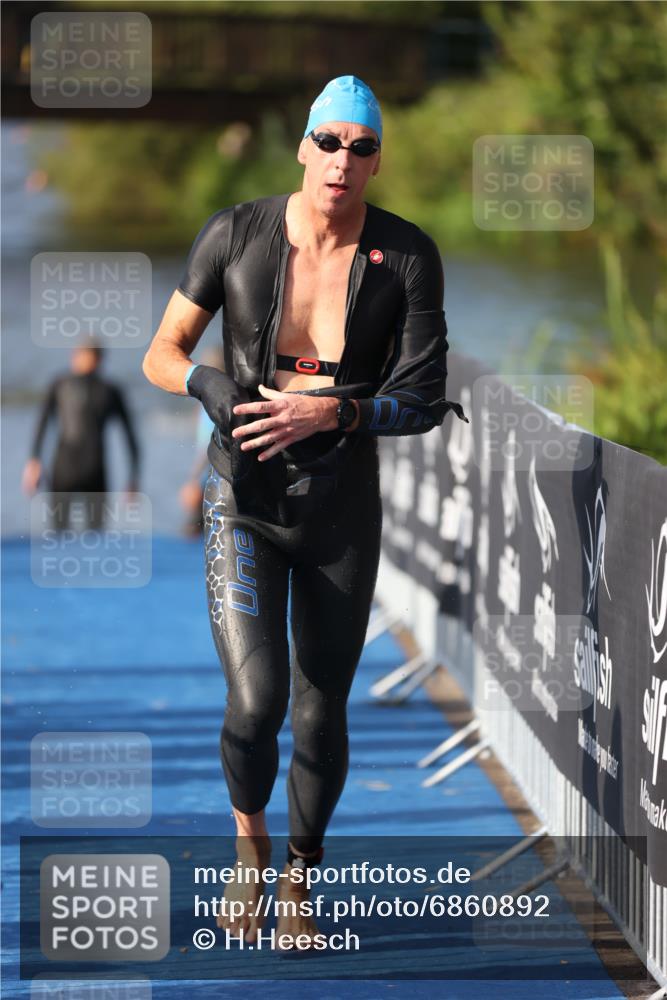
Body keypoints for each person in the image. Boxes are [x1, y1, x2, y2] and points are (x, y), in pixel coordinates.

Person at [142, 75, 467, 950]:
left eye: (361, 148)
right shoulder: (237, 232)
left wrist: (335, 410)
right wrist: (207, 382)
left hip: (337, 508)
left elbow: (425, 398)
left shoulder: (405, 256)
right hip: (241, 499)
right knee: (258, 702)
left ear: (375, 163)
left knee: (322, 710)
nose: (342, 161)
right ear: (303, 147)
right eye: (329, 142)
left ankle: (298, 876)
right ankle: (249, 847)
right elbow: (161, 353)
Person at [22, 342, 140, 530]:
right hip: (65, 468)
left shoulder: (110, 390)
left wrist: (133, 477)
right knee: (60, 531)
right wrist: (34, 461)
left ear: (99, 360)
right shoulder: (60, 385)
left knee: (95, 533)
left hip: (92, 468)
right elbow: (43, 423)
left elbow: (130, 435)